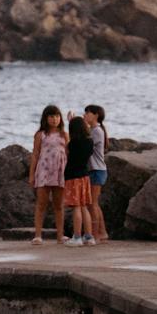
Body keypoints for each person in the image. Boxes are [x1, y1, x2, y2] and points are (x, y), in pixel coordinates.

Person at [27, 104, 67, 244]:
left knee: (59, 205)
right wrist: (31, 174)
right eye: (51, 116)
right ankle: (38, 235)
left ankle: (60, 236)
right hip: (44, 171)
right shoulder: (41, 135)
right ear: (46, 118)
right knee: (41, 204)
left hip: (59, 172)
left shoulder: (64, 134)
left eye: (57, 116)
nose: (54, 119)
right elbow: (35, 154)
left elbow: (68, 153)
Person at [61, 113, 97, 245]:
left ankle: (77, 237)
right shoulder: (90, 142)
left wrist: (71, 123)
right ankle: (89, 237)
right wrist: (74, 120)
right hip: (85, 176)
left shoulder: (72, 144)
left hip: (73, 177)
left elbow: (67, 153)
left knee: (76, 207)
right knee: (84, 206)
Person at [84, 104, 110, 243]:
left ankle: (96, 234)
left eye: (88, 113)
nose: (85, 115)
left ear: (96, 115)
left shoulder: (96, 131)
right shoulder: (93, 130)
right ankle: (102, 232)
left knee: (92, 204)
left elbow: (87, 146)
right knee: (94, 203)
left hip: (97, 170)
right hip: (96, 169)